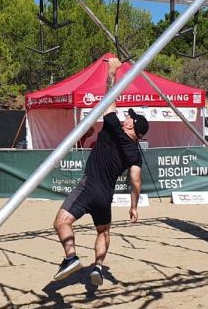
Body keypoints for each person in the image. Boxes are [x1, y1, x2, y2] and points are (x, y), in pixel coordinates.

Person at [52, 56, 148, 287]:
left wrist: (112, 73)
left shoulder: (114, 127)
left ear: (130, 125)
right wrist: (133, 206)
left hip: (88, 186)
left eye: (130, 117)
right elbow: (135, 180)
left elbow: (109, 97)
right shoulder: (134, 153)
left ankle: (71, 257)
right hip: (106, 196)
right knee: (103, 232)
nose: (126, 116)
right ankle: (97, 268)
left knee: (61, 222)